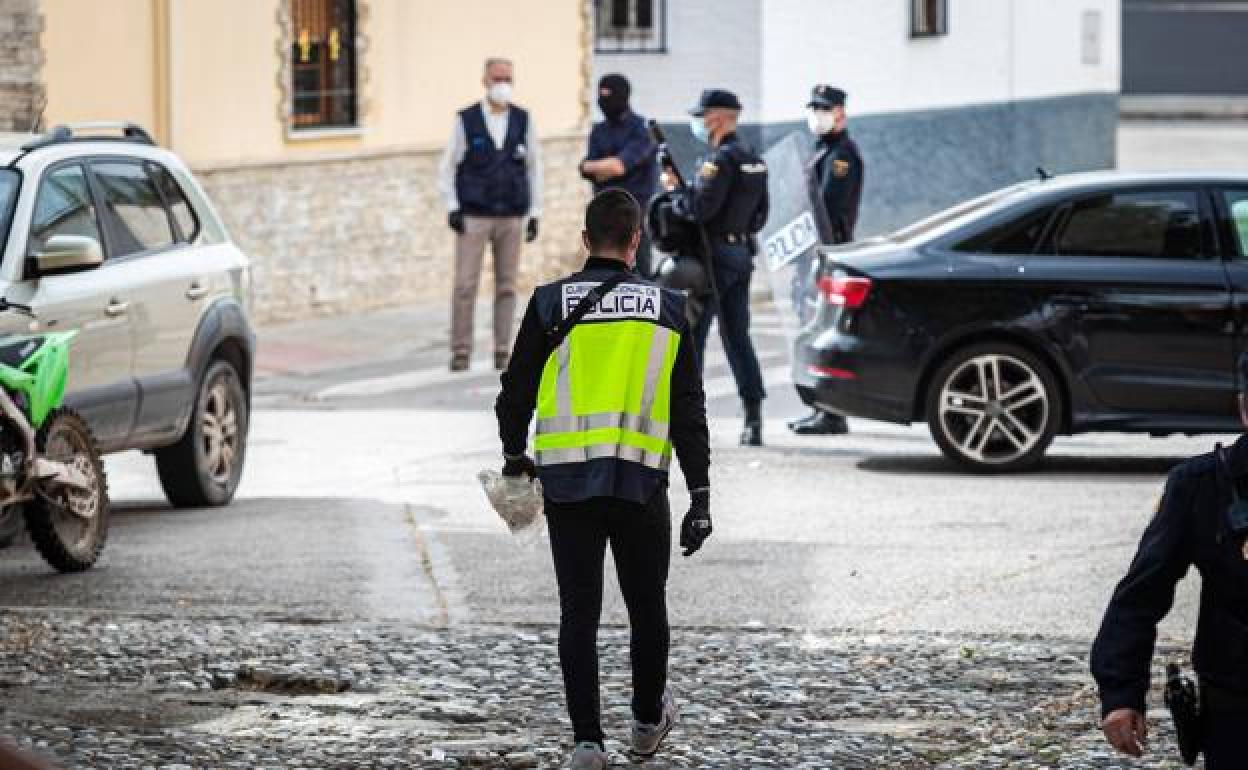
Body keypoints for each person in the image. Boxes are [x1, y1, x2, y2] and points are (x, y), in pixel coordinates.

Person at [495, 189, 712, 769]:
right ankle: (646, 723)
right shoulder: (668, 308)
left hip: (569, 487)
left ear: (585, 240)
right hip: (643, 487)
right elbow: (688, 409)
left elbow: (514, 396)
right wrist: (702, 495)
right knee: (648, 608)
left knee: (579, 613)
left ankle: (588, 743)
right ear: (636, 240)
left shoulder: (549, 304)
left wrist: (515, 457)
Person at [1090, 352, 1248, 769]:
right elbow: (1142, 593)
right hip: (1236, 703)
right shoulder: (1201, 486)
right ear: (1244, 408)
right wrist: (1121, 693)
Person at [667, 89, 769, 446]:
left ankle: (683, 416)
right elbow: (760, 216)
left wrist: (676, 195)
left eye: (703, 115)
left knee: (694, 337)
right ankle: (753, 416)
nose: (699, 122)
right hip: (741, 254)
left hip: (713, 260)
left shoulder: (718, 162)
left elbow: (699, 210)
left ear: (719, 118)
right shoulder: (754, 160)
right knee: (737, 336)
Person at [439, 57, 543, 372]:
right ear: (485, 79)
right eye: (497, 78)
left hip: (511, 214)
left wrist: (535, 212)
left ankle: (502, 349)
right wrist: (453, 207)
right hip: (474, 215)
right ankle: (461, 351)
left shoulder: (524, 120)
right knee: (465, 284)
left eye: (508, 78)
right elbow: (447, 166)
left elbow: (535, 167)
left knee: (507, 285)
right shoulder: (466, 120)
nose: (503, 84)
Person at [789, 84, 863, 436]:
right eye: (813, 108)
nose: (816, 115)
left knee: (821, 330)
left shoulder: (842, 157)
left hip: (828, 253)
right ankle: (823, 408)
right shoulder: (822, 151)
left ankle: (831, 413)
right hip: (812, 254)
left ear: (840, 114)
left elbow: (828, 212)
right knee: (811, 328)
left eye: (824, 109)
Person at [580, 74, 659, 277]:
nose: (603, 101)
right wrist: (600, 168)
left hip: (634, 215)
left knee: (638, 279)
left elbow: (618, 167)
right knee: (603, 277)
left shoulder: (642, 129)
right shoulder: (599, 130)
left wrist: (602, 169)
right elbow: (585, 168)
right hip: (603, 216)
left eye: (608, 95)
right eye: (600, 95)